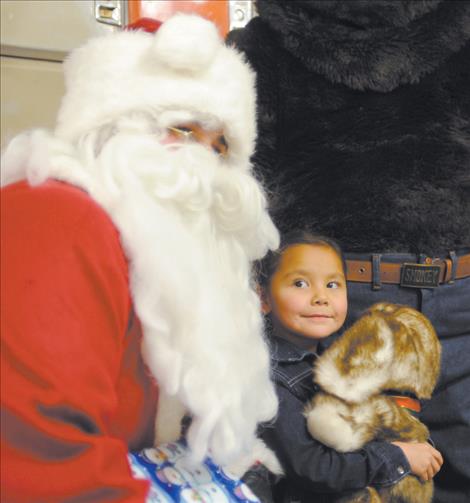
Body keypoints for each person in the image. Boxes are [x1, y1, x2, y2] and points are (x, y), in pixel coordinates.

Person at [0, 14, 280, 502]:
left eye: (221, 147)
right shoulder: (54, 217)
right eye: (184, 131)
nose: (206, 167)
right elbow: (38, 462)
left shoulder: (142, 245)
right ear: (112, 128)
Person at [228, 2, 470, 501]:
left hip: (445, 298)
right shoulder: (260, 49)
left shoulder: (258, 47)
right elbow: (232, 192)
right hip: (333, 307)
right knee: (341, 477)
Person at [255, 230, 443, 502]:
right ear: (263, 299)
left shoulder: (334, 361)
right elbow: (314, 468)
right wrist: (398, 456)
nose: (321, 297)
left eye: (332, 285)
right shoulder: (271, 377)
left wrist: (406, 442)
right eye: (300, 283)